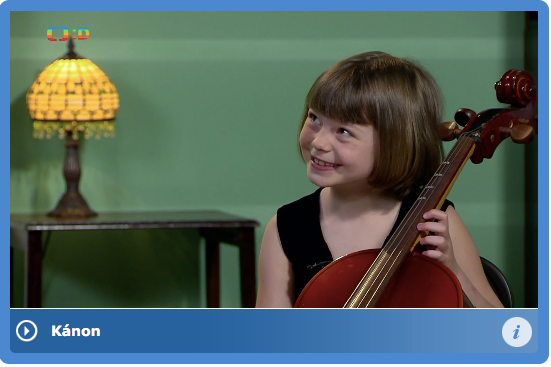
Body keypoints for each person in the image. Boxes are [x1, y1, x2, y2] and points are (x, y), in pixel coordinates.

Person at [255, 51, 504, 308]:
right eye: (314, 118)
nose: (318, 142)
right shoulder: (288, 227)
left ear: (393, 143)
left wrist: (453, 269)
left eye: (343, 131)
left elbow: (504, 331)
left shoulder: (433, 219)